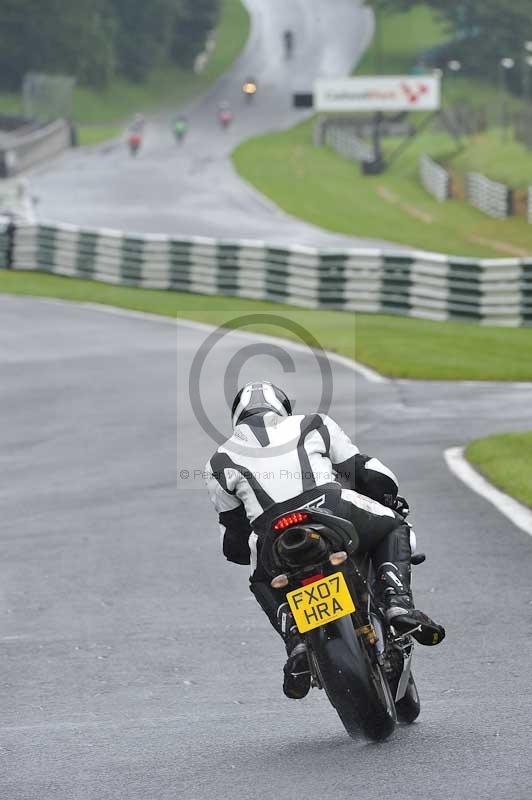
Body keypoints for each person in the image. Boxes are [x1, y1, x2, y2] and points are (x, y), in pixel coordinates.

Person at [204, 381, 445, 700]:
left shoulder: (218, 462)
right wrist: (389, 498)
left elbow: (233, 542)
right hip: (329, 506)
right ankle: (397, 603)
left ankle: (296, 641)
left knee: (262, 579)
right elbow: (366, 472)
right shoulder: (312, 423)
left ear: (237, 417)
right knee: (393, 526)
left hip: (273, 533)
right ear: (283, 408)